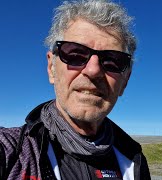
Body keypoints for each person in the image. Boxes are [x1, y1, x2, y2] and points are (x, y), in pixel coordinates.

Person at [0, 0, 150, 179]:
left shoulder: (134, 159)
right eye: (75, 54)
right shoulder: (12, 153)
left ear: (125, 81)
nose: (93, 71)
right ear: (51, 68)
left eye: (112, 60)